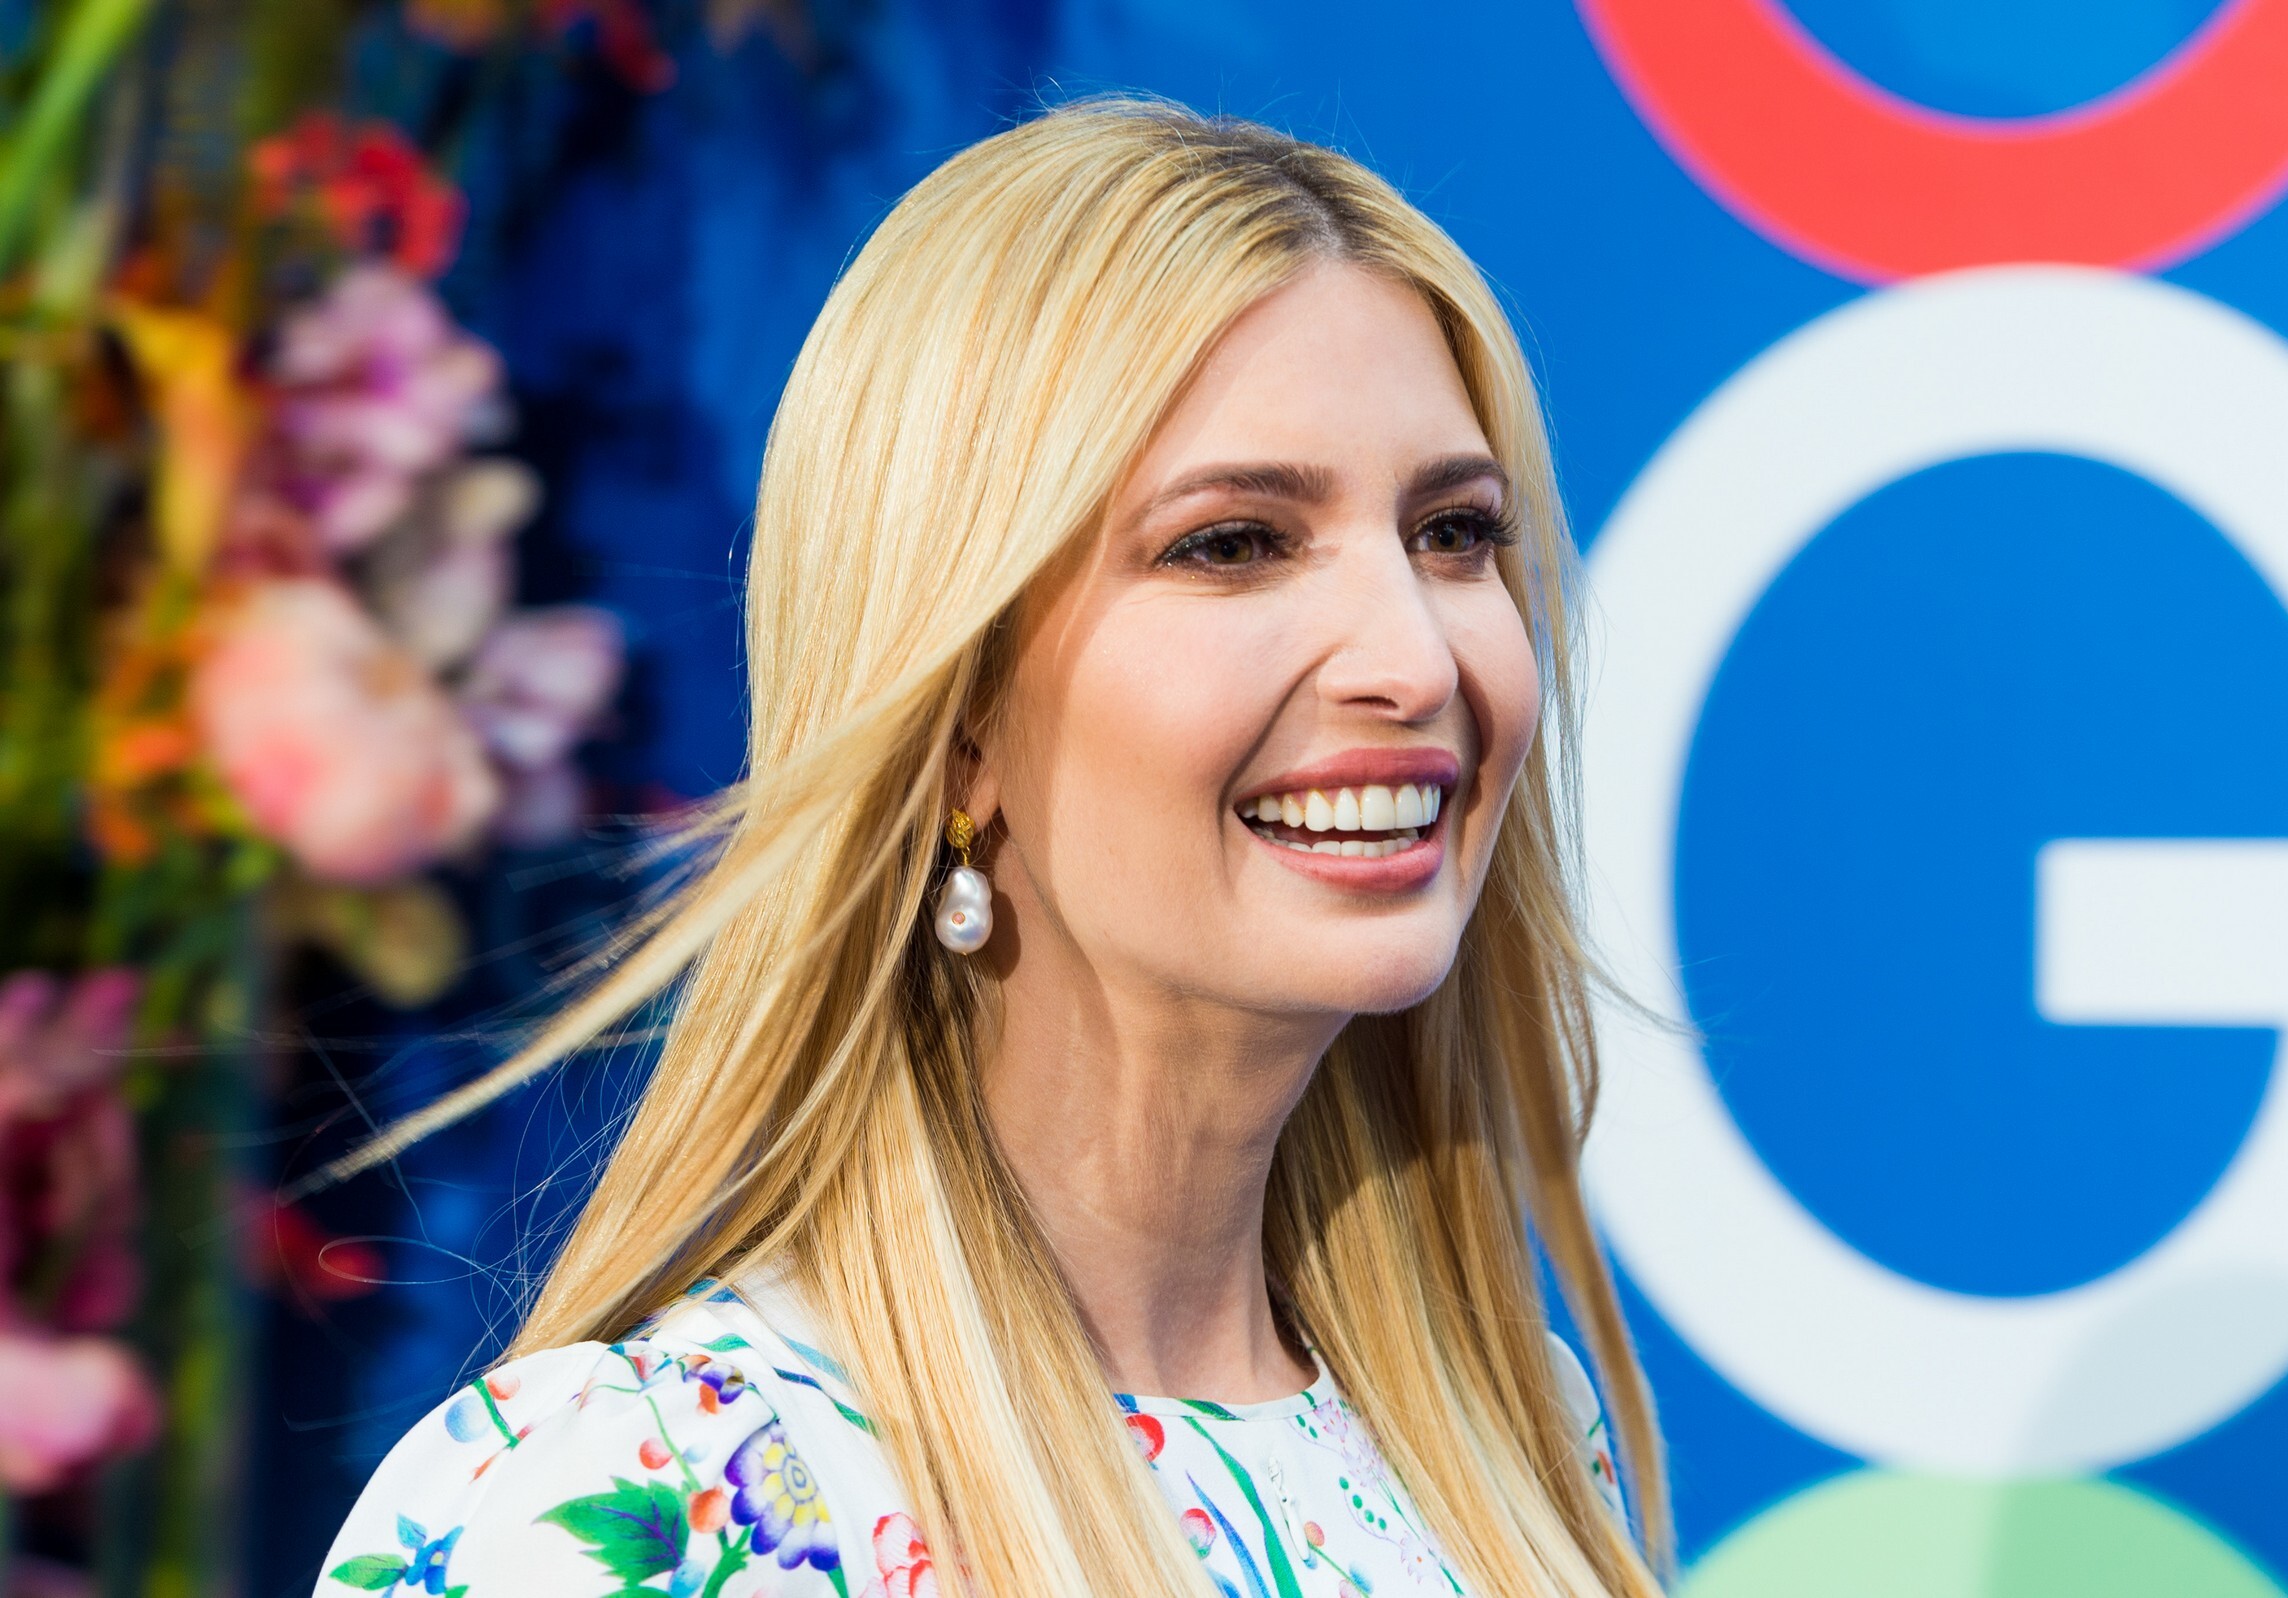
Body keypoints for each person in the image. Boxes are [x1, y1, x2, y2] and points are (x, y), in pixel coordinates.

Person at [313, 98, 1670, 1598]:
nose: (1413, 658)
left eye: (1454, 532)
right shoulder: (651, 1504)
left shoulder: (1520, 1452)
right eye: (1233, 543)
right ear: (959, 714)